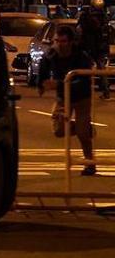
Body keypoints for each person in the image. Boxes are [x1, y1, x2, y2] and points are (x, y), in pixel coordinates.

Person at [38, 25, 97, 176]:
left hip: (81, 97)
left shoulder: (81, 56)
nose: (59, 44)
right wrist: (42, 84)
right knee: (59, 130)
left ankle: (90, 164)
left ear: (70, 42)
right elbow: (43, 68)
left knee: (83, 134)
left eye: (63, 41)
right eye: (56, 40)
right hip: (63, 97)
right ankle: (83, 128)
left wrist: (59, 83)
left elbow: (84, 79)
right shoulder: (51, 54)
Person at [77, 0, 110, 99]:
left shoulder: (86, 16)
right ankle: (105, 91)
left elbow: (79, 29)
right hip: (100, 47)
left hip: (89, 46)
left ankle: (83, 90)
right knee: (101, 70)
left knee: (84, 69)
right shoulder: (104, 17)